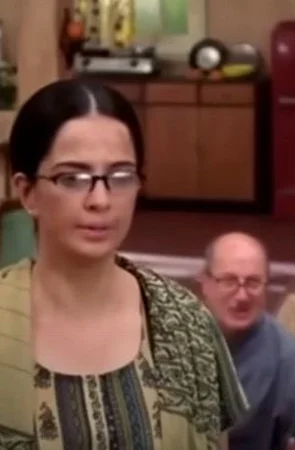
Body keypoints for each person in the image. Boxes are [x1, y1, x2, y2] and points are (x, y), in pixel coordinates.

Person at [0, 79, 248, 449]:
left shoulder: (184, 322)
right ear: (27, 192)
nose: (101, 200)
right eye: (73, 178)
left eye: (120, 176)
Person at [197, 232, 295, 450]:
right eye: (229, 281)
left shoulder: (288, 360)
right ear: (205, 283)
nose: (242, 296)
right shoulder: (172, 334)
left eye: (253, 283)